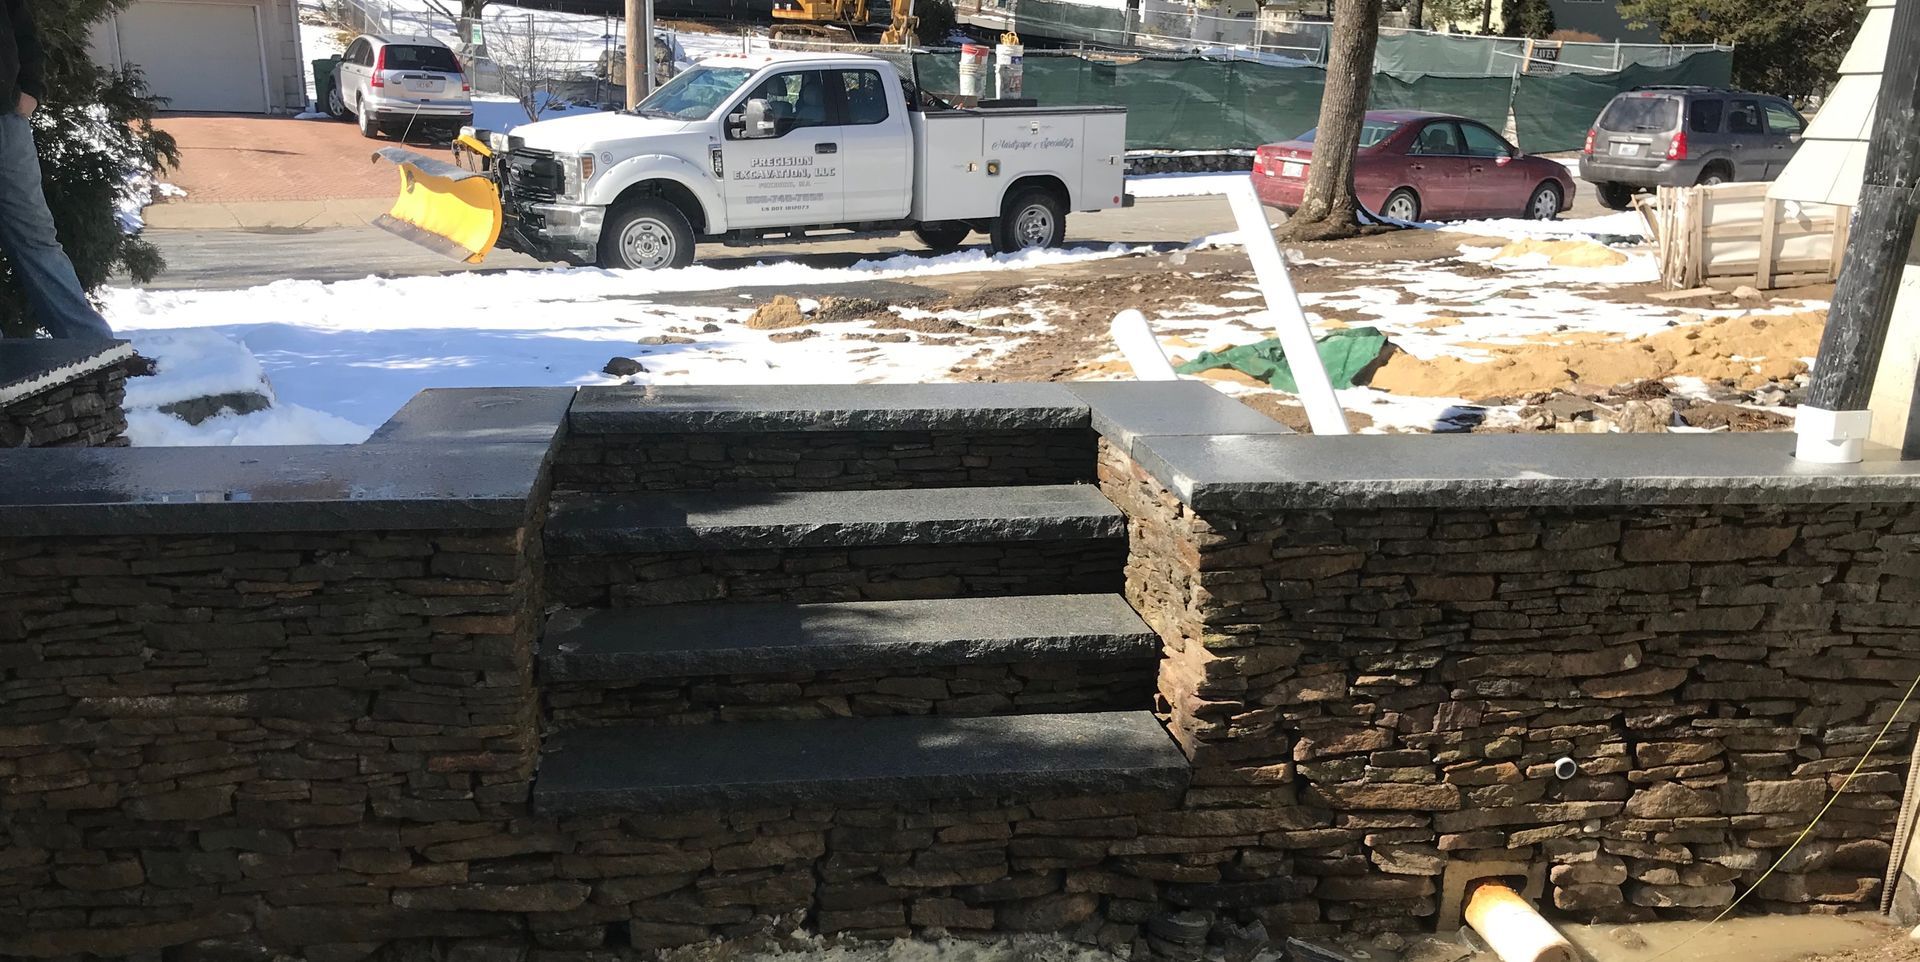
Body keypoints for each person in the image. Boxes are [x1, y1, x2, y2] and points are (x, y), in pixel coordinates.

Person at [1, 0, 117, 341]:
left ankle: (93, 346)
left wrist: (31, 89)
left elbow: (22, 30)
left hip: (6, 118)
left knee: (35, 234)